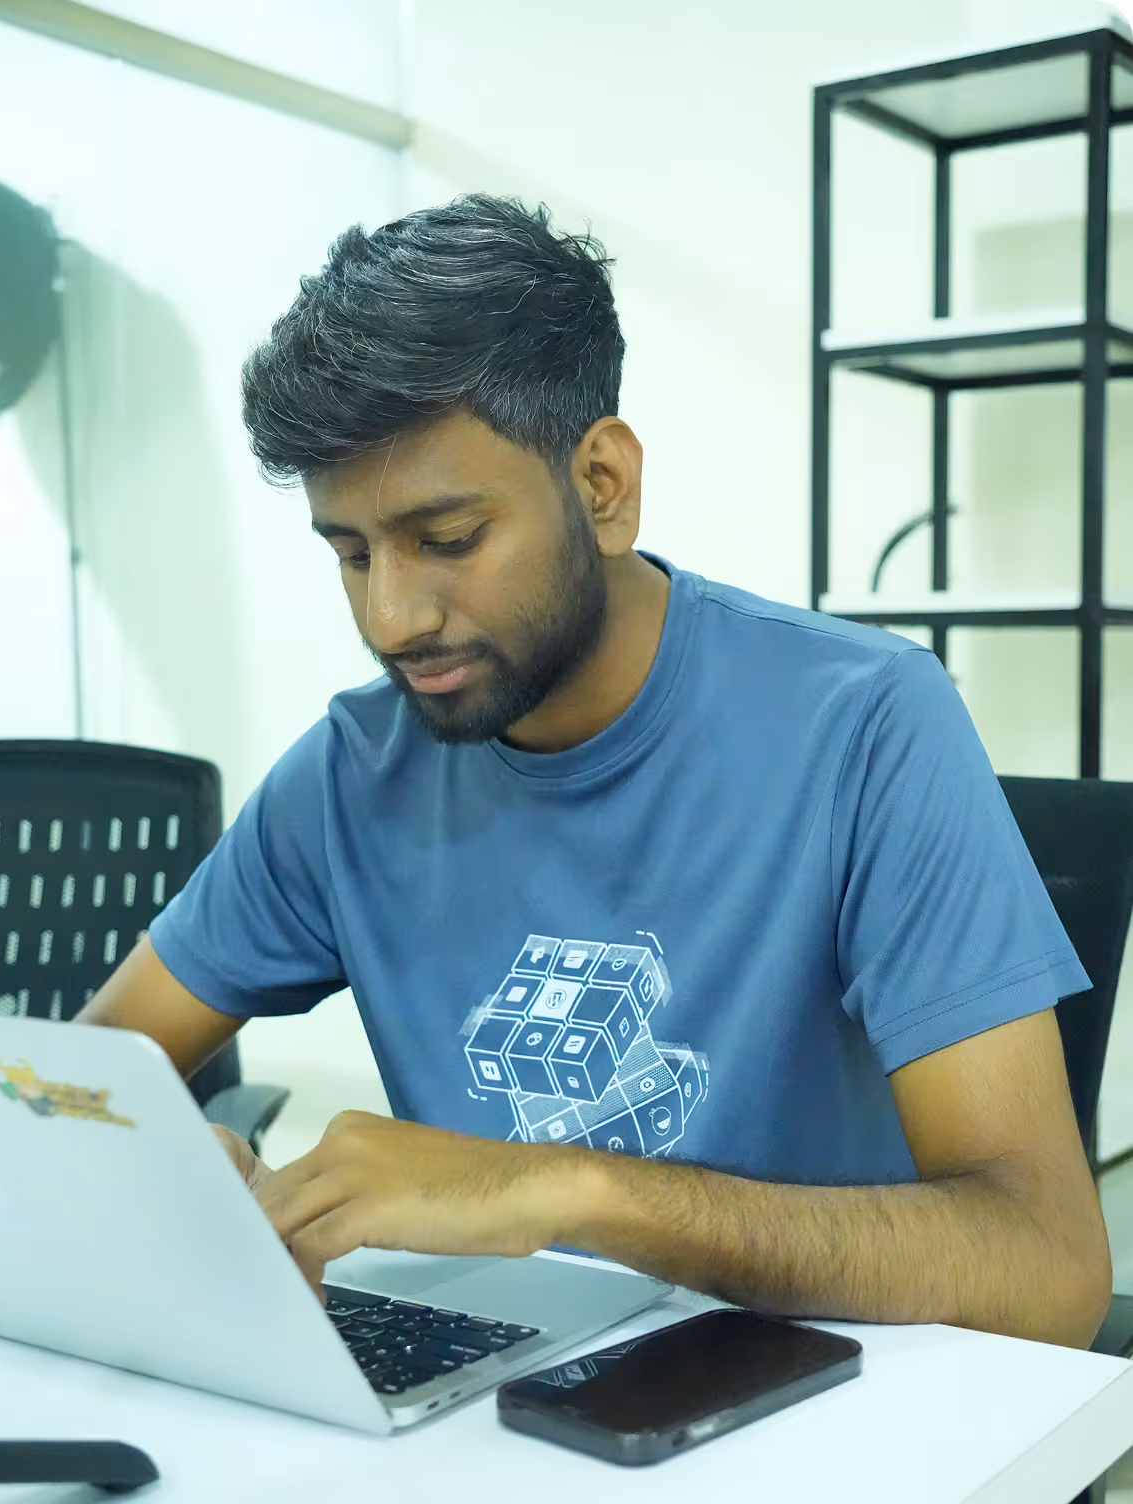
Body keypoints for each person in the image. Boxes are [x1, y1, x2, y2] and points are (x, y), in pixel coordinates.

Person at [78, 194, 1110, 1352]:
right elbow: (82, 1075)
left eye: (449, 539)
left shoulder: (865, 725)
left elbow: (1048, 1269)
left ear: (603, 485)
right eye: (352, 552)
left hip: (821, 1410)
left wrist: (569, 1190)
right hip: (502, 1416)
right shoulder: (347, 774)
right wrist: (163, 1156)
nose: (393, 614)